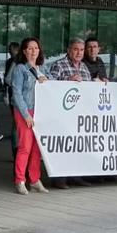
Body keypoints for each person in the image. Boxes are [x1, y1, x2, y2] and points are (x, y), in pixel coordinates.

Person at [46, 38, 94, 189]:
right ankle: (59, 178)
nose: (79, 52)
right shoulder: (59, 65)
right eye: (75, 49)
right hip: (63, 114)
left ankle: (76, 176)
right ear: (69, 50)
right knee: (63, 146)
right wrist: (67, 80)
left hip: (80, 114)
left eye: (81, 50)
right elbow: (48, 85)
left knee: (78, 146)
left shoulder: (85, 67)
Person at [11, 37, 50, 195]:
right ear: (25, 51)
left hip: (40, 111)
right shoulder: (20, 69)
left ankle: (34, 179)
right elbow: (17, 93)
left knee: (36, 148)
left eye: (36, 48)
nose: (34, 51)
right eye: (30, 48)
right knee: (25, 146)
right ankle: (20, 180)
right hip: (25, 111)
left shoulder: (43, 68)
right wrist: (26, 114)